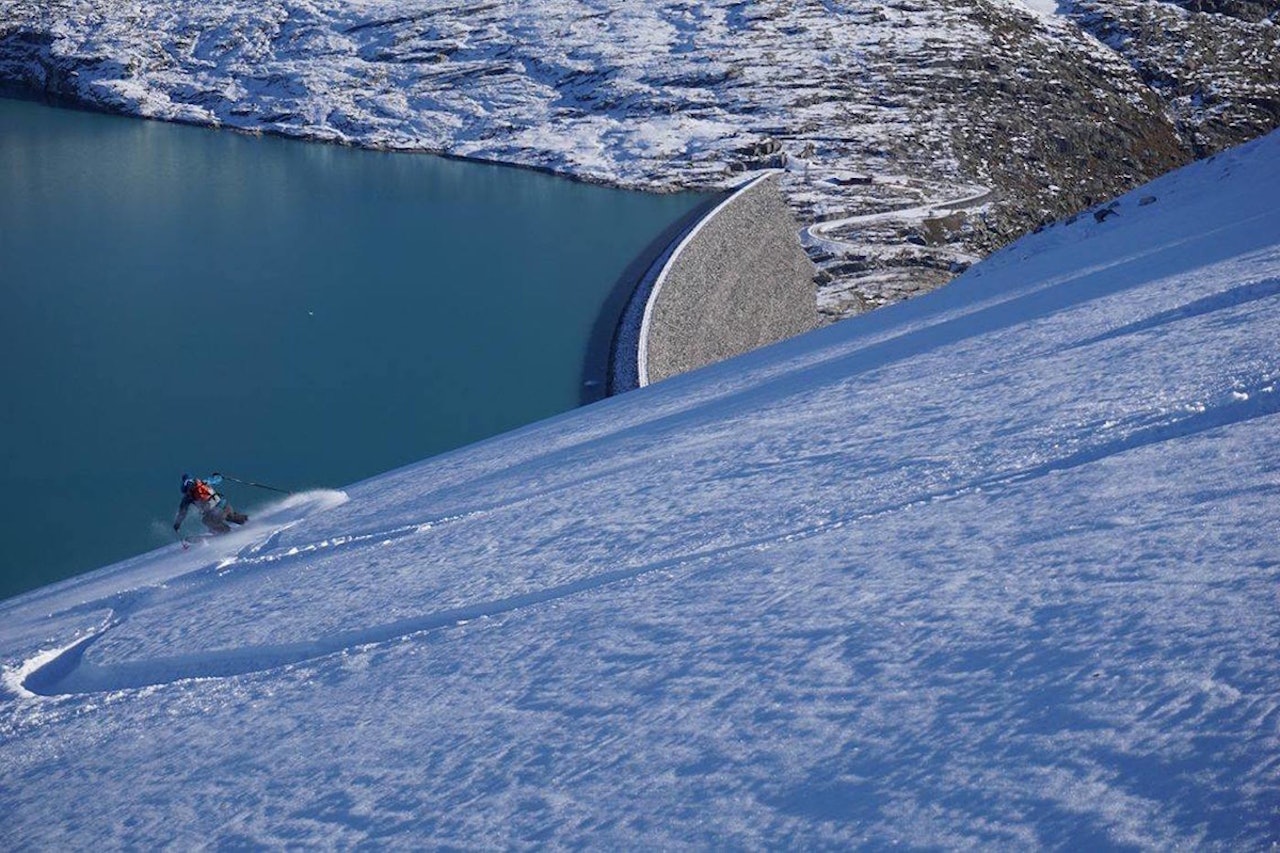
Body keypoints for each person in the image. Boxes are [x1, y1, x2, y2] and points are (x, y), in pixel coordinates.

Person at [174, 473, 249, 535]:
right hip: (225, 505)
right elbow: (216, 479)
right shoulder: (203, 482)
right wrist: (218, 476)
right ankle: (248, 521)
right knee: (230, 516)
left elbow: (182, 512)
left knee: (206, 521)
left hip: (216, 513)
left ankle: (227, 533)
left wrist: (177, 524)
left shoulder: (188, 497)